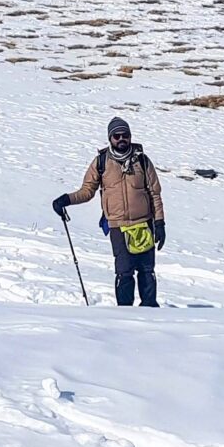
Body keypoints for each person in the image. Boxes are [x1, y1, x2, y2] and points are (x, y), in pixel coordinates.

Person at [53, 116, 166, 307]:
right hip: (118, 226)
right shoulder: (101, 162)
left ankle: (150, 311)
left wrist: (160, 223)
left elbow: (155, 194)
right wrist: (66, 199)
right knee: (124, 272)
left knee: (147, 270)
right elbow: (87, 191)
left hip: (144, 224)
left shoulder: (143, 161)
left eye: (125, 135)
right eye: (117, 136)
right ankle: (124, 313)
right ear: (110, 138)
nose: (122, 139)